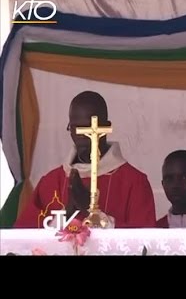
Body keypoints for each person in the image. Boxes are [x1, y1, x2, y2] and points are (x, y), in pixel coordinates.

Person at [14, 91, 157, 229]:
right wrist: (68, 212)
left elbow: (145, 241)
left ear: (106, 127)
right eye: (75, 127)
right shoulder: (51, 181)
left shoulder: (134, 182)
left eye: (88, 126)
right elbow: (25, 237)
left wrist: (92, 213)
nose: (80, 134)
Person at [156, 150, 186, 228]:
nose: (175, 185)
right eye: (169, 179)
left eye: (184, 177)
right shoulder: (154, 231)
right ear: (163, 184)